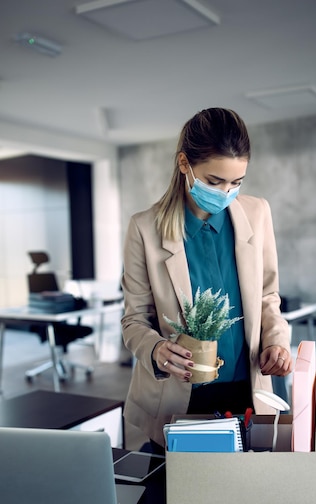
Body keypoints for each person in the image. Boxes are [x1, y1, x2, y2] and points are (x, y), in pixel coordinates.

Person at [121, 107, 292, 452]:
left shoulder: (257, 213)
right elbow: (134, 319)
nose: (226, 192)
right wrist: (155, 349)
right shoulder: (144, 228)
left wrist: (276, 340)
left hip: (247, 388)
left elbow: (267, 296)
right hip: (179, 396)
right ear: (185, 163)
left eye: (236, 182)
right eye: (215, 181)